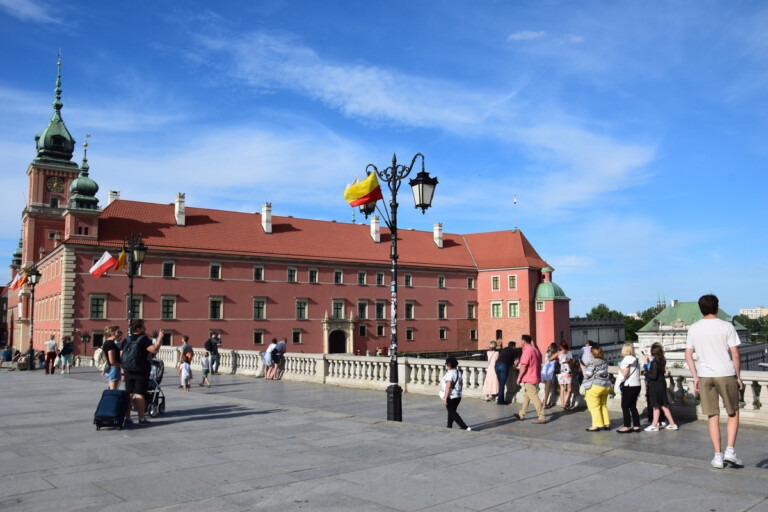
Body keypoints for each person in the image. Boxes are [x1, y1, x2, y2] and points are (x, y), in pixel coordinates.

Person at [684, 294, 742, 468]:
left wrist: (695, 376)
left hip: (705, 375)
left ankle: (717, 456)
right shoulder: (726, 326)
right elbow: (736, 354)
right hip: (725, 373)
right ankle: (730, 450)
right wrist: (737, 376)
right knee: (733, 412)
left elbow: (688, 354)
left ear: (701, 309)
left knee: (712, 415)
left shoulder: (694, 328)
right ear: (717, 307)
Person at [121, 319, 164, 426]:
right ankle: (141, 419)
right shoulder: (143, 339)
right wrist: (160, 338)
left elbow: (122, 357)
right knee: (140, 395)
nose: (145, 329)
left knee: (129, 395)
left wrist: (123, 372)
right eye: (143, 327)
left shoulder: (126, 339)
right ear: (138, 329)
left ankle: (127, 418)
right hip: (141, 371)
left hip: (128, 371)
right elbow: (154, 350)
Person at [643, 343, 678, 432]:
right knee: (663, 405)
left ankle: (654, 425)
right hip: (661, 384)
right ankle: (672, 424)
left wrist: (645, 373)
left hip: (656, 386)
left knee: (656, 405)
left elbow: (653, 376)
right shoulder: (662, 360)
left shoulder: (654, 362)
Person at [516, 335, 547, 424]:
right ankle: (521, 414)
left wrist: (519, 377)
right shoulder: (535, 350)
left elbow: (524, 366)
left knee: (534, 396)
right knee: (527, 396)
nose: (520, 342)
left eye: (521, 340)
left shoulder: (527, 351)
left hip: (529, 377)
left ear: (523, 342)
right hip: (535, 375)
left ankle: (541, 417)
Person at [583, 345, 611, 431]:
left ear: (592, 353)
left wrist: (583, 368)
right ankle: (607, 424)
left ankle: (596, 425)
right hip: (606, 386)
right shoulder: (604, 361)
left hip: (595, 386)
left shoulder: (591, 363)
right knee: (603, 405)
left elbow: (587, 375)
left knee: (594, 407)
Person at [615, 343, 642, 433]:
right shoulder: (636, 360)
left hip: (629, 385)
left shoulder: (627, 359)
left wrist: (620, 368)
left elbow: (625, 373)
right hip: (637, 385)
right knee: (633, 406)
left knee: (625, 406)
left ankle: (626, 426)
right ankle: (636, 426)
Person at [440, 357, 471, 431]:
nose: (445, 365)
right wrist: (459, 391)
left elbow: (448, 385)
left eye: (446, 364)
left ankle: (465, 427)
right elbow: (461, 383)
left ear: (449, 365)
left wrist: (445, 398)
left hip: (451, 396)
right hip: (458, 396)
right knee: (451, 411)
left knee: (453, 413)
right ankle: (449, 426)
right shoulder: (458, 372)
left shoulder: (450, 373)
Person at [102, 326, 122, 390]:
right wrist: (121, 366)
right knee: (113, 390)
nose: (120, 334)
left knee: (111, 389)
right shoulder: (111, 344)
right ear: (112, 333)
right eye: (118, 332)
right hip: (113, 369)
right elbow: (112, 361)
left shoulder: (107, 342)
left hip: (111, 369)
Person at [556, 341, 574, 409]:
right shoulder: (569, 353)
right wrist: (569, 361)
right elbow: (572, 364)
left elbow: (551, 359)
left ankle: (562, 404)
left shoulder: (558, 353)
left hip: (561, 372)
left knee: (562, 389)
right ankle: (565, 403)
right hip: (567, 372)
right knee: (569, 389)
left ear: (561, 347)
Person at [542, 342, 558, 409]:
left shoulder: (546, 353)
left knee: (545, 389)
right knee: (547, 390)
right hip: (549, 372)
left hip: (544, 371)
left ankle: (542, 402)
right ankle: (544, 404)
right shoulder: (555, 354)